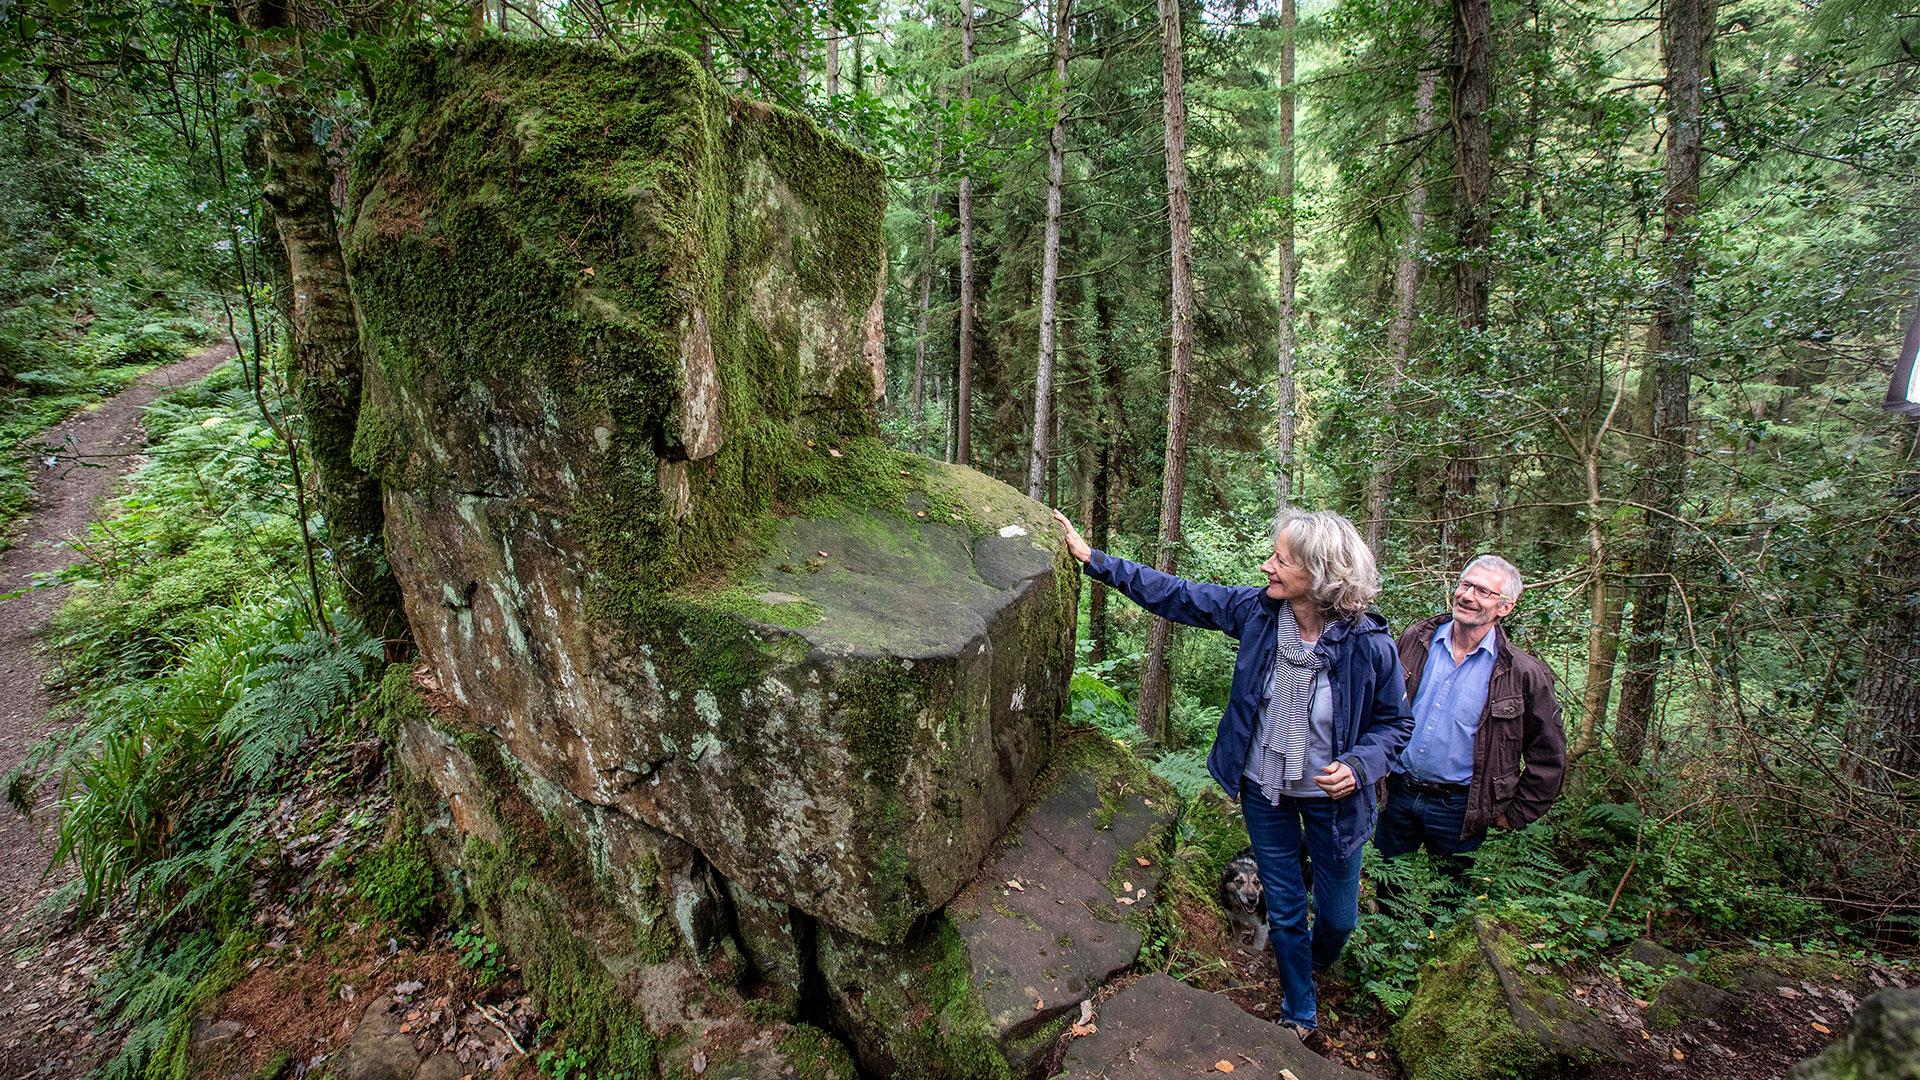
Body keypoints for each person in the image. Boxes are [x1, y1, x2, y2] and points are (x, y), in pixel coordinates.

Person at [1052, 507, 1413, 1037]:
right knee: (1287, 907)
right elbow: (1178, 595)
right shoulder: (1259, 612)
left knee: (1338, 918)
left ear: (1318, 576)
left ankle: (1310, 964)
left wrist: (1360, 766)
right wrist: (1093, 560)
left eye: (1281, 560)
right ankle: (1299, 1013)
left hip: (1335, 803)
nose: (1267, 566)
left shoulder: (1369, 646)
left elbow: (1395, 724)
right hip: (1265, 788)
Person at [1375, 555, 1566, 883]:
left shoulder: (1523, 673)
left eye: (1483, 591)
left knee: (1450, 902)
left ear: (1505, 607)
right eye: (1465, 584)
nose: (1467, 595)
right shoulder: (1416, 640)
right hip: (1397, 793)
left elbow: (1548, 755)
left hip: (1460, 807)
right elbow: (1379, 704)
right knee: (1390, 888)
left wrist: (1516, 813)